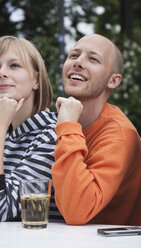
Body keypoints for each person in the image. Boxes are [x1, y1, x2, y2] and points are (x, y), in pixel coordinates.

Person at [52, 33, 141, 225]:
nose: (78, 62)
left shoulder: (119, 135)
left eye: (93, 59)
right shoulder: (62, 123)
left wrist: (67, 126)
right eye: (73, 55)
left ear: (114, 81)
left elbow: (76, 212)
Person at [0, 36, 63, 222]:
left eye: (14, 65)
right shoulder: (10, 136)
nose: (2, 73)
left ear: (36, 81)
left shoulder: (52, 134)